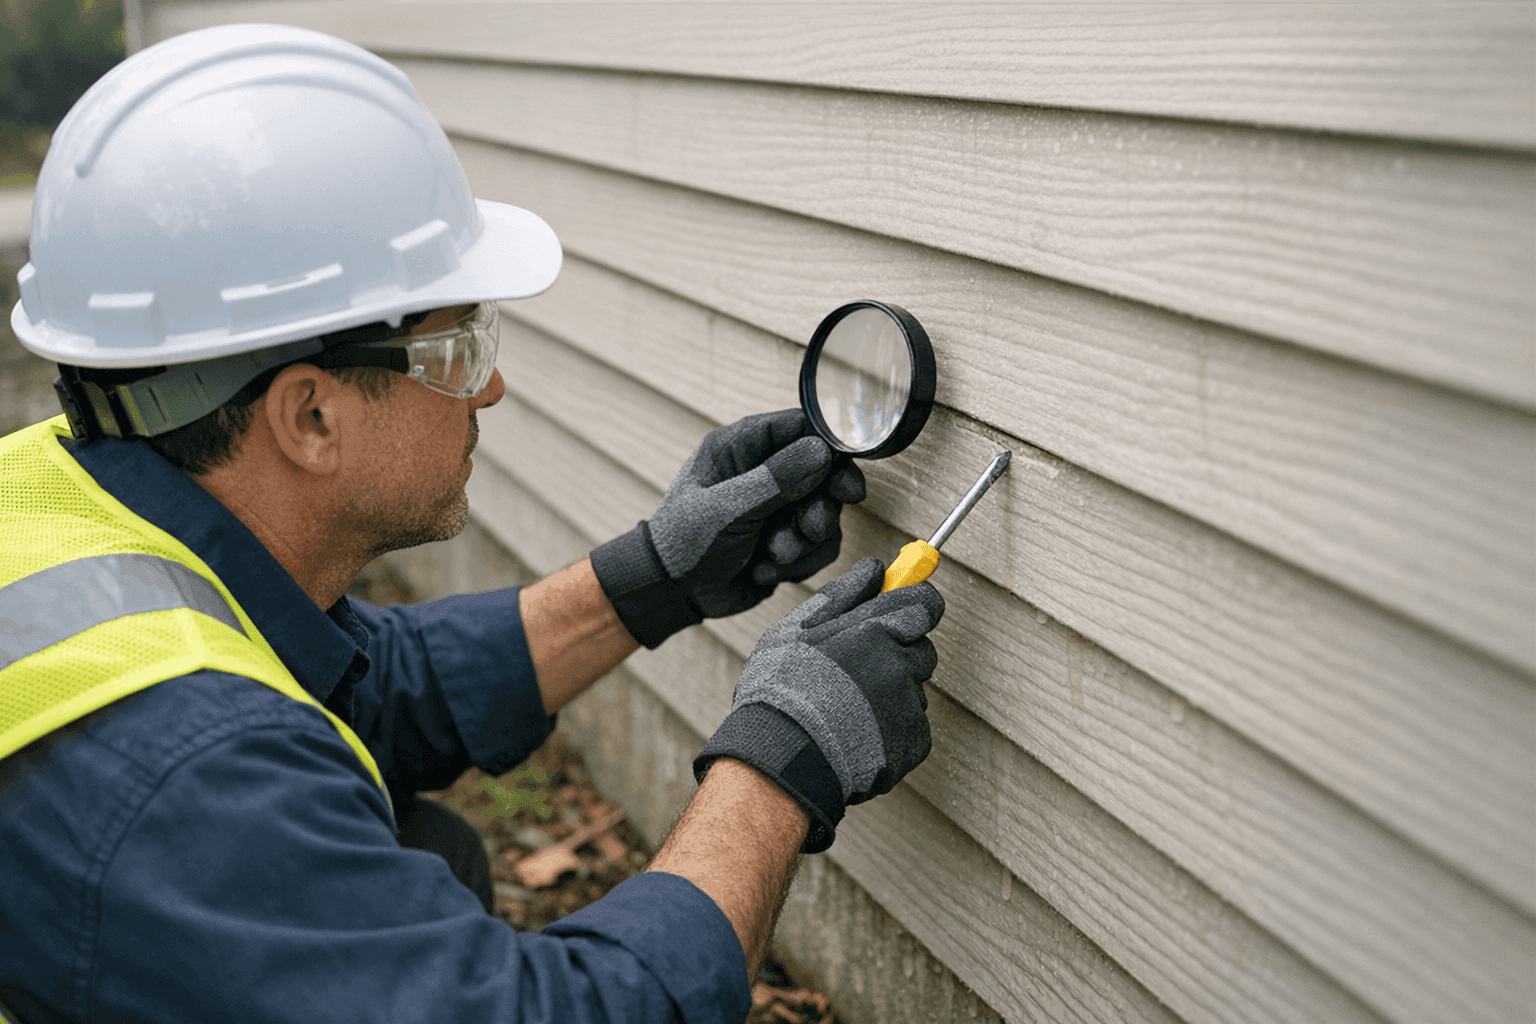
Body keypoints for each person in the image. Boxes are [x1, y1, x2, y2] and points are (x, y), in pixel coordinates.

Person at [0, 24, 944, 1024]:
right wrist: (781, 756)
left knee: (428, 850)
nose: (488, 386)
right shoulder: (187, 781)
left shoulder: (61, 494)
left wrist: (656, 576)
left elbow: (365, 687)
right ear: (311, 416)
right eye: (454, 348)